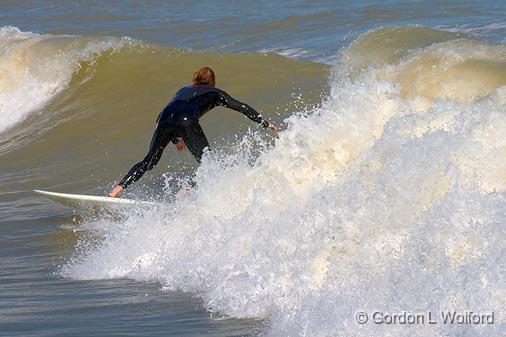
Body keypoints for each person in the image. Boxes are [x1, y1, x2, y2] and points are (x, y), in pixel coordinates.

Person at [108, 66, 278, 197]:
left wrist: (176, 139)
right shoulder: (215, 93)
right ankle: (186, 191)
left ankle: (118, 188)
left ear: (195, 79)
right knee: (209, 164)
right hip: (186, 121)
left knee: (149, 161)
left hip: (164, 118)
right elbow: (241, 107)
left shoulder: (183, 90)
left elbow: (168, 112)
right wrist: (264, 123)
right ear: (212, 82)